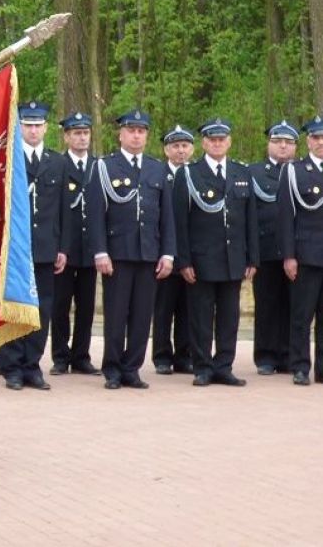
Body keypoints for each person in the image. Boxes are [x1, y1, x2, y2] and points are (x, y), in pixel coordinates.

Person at [86, 109, 175, 390]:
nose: (136, 135)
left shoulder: (156, 168)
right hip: (118, 252)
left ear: (147, 135)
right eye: (131, 130)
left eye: (141, 131)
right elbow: (95, 214)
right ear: (121, 134)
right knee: (115, 313)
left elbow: (167, 216)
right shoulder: (105, 167)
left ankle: (132, 368)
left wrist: (168, 253)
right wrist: (100, 251)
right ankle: (112, 368)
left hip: (148, 252)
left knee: (141, 314)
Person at [173, 118, 257, 387]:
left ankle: (224, 365)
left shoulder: (242, 173)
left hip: (233, 258)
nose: (218, 143)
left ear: (229, 142)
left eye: (222, 139)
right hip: (201, 258)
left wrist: (252, 257)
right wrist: (183, 260)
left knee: (229, 317)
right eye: (212, 139)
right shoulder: (189, 174)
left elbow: (250, 220)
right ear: (204, 143)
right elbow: (180, 222)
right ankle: (203, 367)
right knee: (200, 316)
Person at [0, 101, 69, 391]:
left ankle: (32, 365)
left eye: (38, 125)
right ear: (20, 127)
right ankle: (11, 367)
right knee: (15, 306)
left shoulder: (58, 162)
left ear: (46, 128)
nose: (34, 130)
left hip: (45, 248)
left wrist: (63, 248)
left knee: (42, 308)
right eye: (28, 125)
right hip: (15, 248)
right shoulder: (9, 161)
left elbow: (65, 210)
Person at [50, 111, 100, 376]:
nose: (82, 138)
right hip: (65, 249)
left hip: (90, 248)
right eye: (76, 133)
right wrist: (60, 247)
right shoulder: (58, 165)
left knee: (87, 305)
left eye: (85, 133)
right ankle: (60, 356)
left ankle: (81, 355)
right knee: (60, 304)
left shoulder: (98, 166)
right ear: (67, 136)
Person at [277, 115, 323, 386]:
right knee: (302, 315)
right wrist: (289, 255)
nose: (320, 143)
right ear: (308, 141)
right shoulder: (294, 171)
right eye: (316, 138)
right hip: (305, 255)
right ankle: (300, 366)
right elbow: (286, 217)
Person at [250, 120, 298, 375]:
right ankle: (266, 355)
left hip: (297, 252)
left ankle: (289, 354)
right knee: (267, 304)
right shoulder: (253, 172)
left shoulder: (301, 171)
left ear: (295, 146)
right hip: (266, 249)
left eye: (288, 142)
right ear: (269, 143)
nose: (282, 146)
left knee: (294, 305)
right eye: (278, 141)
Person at [151, 125, 195, 375]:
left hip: (189, 254)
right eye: (175, 146)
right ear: (166, 149)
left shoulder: (195, 175)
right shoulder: (158, 173)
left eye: (185, 146)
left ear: (192, 148)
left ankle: (184, 355)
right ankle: (162, 356)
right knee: (163, 308)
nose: (180, 150)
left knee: (188, 309)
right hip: (163, 253)